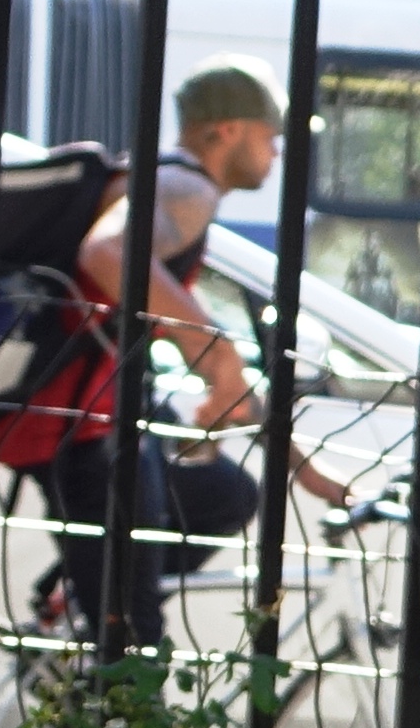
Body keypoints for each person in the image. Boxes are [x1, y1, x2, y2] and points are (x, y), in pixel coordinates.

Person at [34, 61, 346, 639]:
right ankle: (107, 645)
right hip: (84, 423)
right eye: (270, 138)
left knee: (224, 494)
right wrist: (221, 353)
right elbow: (106, 253)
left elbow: (214, 372)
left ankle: (85, 599)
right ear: (226, 132)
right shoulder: (185, 187)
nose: (276, 155)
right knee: (134, 640)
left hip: (98, 408)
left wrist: (305, 469)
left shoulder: (170, 188)